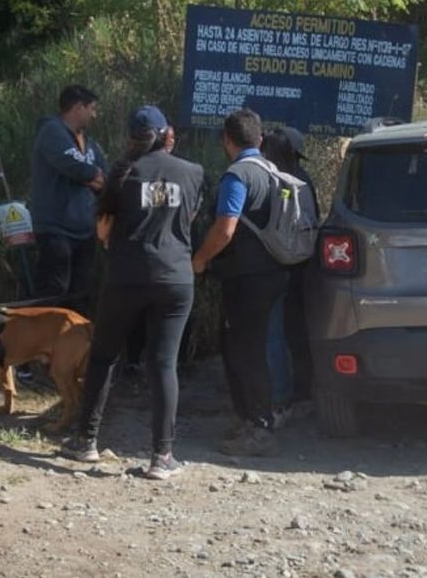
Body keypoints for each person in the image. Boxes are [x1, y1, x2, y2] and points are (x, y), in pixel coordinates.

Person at [62, 106, 204, 479]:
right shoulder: (193, 173)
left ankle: (86, 441)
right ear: (166, 134)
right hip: (175, 279)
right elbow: (187, 222)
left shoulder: (121, 174)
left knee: (104, 356)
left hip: (126, 277)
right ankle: (162, 457)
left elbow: (104, 234)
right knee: (163, 364)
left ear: (132, 138)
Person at [192, 108, 289, 457]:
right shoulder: (272, 171)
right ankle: (251, 419)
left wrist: (200, 259)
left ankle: (258, 427)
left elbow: (226, 227)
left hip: (246, 278)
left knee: (245, 352)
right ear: (259, 139)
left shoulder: (238, 175)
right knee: (247, 347)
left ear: (226, 141)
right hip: (274, 272)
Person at [29, 84, 106, 316]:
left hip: (85, 231)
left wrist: (93, 177)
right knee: (53, 291)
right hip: (56, 229)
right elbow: (76, 168)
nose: (94, 114)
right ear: (77, 107)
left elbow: (106, 177)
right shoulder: (52, 132)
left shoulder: (91, 144)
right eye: (91, 108)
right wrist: (91, 176)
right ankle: (41, 346)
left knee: (80, 293)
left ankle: (73, 349)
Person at [258, 126, 318, 423]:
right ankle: (305, 390)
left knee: (276, 334)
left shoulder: (272, 180)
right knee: (298, 330)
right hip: (303, 263)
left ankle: (282, 395)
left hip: (276, 264)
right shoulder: (304, 180)